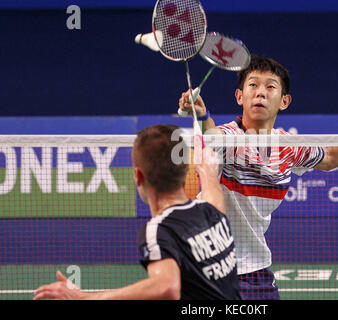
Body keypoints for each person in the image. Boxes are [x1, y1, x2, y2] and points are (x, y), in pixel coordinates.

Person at [178, 55, 338, 299]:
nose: (260, 92)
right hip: (210, 265)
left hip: (254, 269)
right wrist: (201, 115)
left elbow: (330, 158)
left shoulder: (288, 145)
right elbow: (212, 137)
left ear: (284, 101)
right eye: (253, 85)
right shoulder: (229, 137)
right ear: (239, 97)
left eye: (270, 86)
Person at [33, 124, 242, 300]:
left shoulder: (159, 230)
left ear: (138, 176)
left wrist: (84, 297)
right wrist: (207, 172)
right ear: (186, 170)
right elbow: (214, 194)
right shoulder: (211, 212)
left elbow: (167, 286)